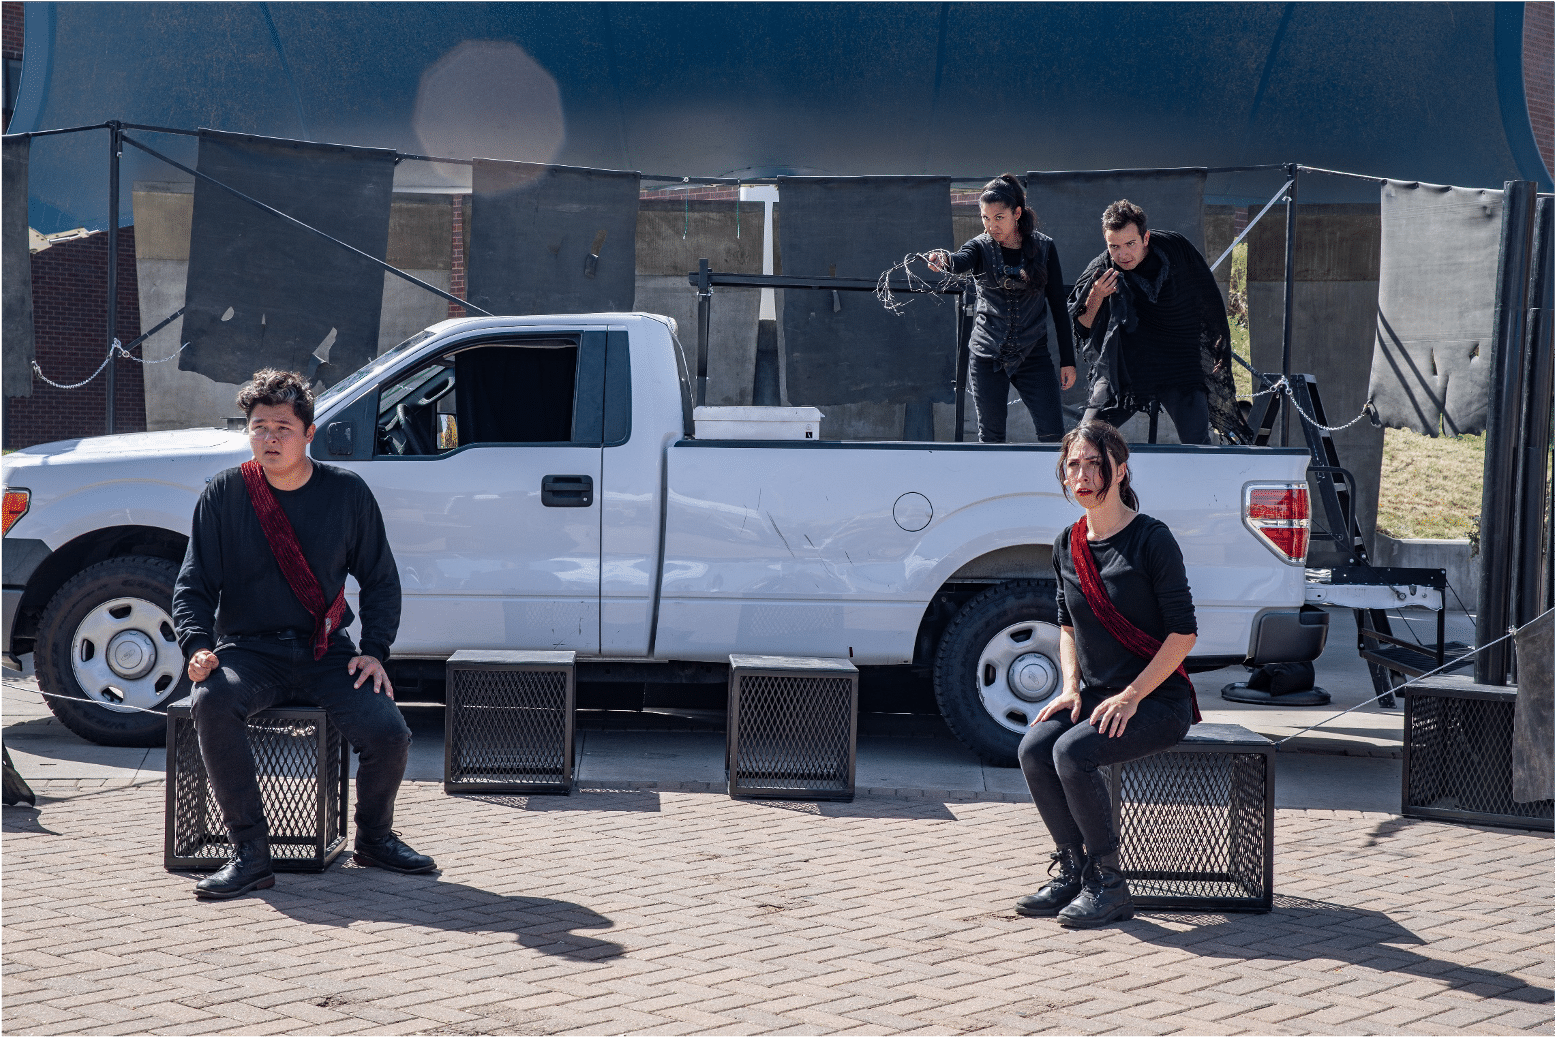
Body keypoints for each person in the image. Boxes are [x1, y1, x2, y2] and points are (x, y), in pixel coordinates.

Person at [173, 369, 434, 900]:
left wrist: (375, 652)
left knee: (389, 732)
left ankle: (374, 837)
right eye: (259, 427)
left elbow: (381, 580)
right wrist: (196, 646)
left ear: (309, 434)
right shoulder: (225, 494)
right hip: (249, 652)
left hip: (325, 652)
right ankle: (250, 854)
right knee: (211, 700)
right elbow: (193, 583)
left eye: (283, 428)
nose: (270, 438)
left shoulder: (347, 493)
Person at [1015, 420, 1199, 928]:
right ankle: (1072, 869)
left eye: (1094, 464)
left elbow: (1183, 634)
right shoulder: (1067, 543)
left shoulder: (1151, 540)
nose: (1082, 475)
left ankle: (1109, 883)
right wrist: (1070, 687)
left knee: (1073, 753)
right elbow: (1067, 623)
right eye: (1072, 465)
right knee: (1033, 748)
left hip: (1155, 703)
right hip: (1095, 695)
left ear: (1120, 469)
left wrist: (1132, 696)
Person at [1068, 199, 1248, 445]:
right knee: (1086, 439)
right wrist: (1097, 295)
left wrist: (1217, 352)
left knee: (1197, 443)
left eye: (1130, 243)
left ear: (1146, 238)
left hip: (1179, 364)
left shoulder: (1175, 248)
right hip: (1126, 368)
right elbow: (1082, 325)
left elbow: (1208, 301)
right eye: (1114, 246)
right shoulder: (1102, 269)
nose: (1123, 254)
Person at [927, 174, 1076, 443]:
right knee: (991, 437)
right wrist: (944, 260)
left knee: (1054, 433)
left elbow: (1058, 305)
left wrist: (1068, 360)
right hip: (988, 353)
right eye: (985, 217)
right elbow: (960, 260)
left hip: (1033, 353)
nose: (991, 225)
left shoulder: (1044, 247)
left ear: (1016, 213)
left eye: (998, 217)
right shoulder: (979, 246)